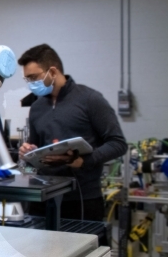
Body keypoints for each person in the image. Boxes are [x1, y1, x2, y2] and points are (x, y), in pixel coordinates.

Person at [17, 44, 127, 221]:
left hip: (82, 199)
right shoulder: (37, 107)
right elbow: (34, 150)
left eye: (34, 77)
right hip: (44, 197)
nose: (31, 84)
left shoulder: (90, 99)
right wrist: (27, 153)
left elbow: (118, 144)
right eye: (27, 79)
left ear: (52, 72)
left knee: (84, 248)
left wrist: (83, 161)